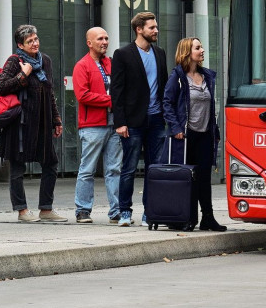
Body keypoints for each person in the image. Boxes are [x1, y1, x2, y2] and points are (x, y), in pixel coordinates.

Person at [0, 24, 66, 223]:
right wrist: (23, 75)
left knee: (50, 163)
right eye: (30, 41)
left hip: (42, 123)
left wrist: (56, 119)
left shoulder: (45, 61)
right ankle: (22, 210)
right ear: (20, 44)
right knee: (17, 168)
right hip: (20, 124)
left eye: (36, 39)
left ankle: (46, 208)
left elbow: (49, 91)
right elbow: (2, 87)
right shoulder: (14, 61)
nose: (35, 43)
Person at [163, 37, 227, 231]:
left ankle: (208, 217)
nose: (202, 50)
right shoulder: (178, 76)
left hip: (205, 135)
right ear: (187, 52)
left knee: (204, 178)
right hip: (186, 136)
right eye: (198, 48)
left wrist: (214, 131)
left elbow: (211, 106)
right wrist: (175, 129)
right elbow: (167, 103)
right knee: (188, 178)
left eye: (202, 47)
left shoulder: (207, 76)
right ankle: (187, 217)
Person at [111, 12, 168, 227]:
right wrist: (120, 122)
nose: (156, 31)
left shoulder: (160, 53)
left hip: (156, 120)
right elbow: (116, 91)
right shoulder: (123, 54)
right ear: (139, 29)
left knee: (155, 168)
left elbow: (163, 86)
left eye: (156, 27)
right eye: (152, 28)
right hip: (133, 121)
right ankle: (124, 211)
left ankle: (149, 212)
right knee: (129, 167)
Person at [72, 27, 121, 224]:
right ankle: (82, 210)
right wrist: (111, 100)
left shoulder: (111, 64)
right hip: (92, 125)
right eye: (100, 39)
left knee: (114, 169)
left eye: (107, 38)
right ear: (89, 43)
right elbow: (82, 95)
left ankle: (116, 211)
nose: (105, 42)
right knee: (87, 169)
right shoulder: (82, 66)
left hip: (114, 124)